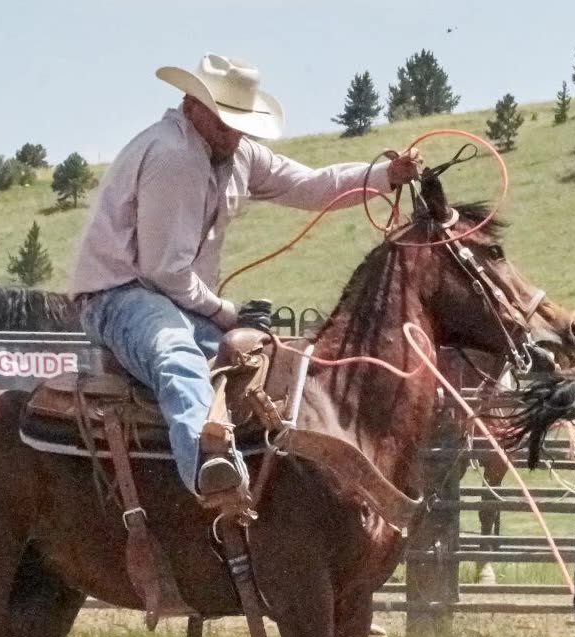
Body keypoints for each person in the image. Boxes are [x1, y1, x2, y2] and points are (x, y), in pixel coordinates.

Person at [69, 53, 422, 516]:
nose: (232, 134)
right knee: (176, 355)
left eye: (239, 124)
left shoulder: (238, 155)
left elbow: (310, 184)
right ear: (191, 107)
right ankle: (211, 472)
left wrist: (382, 176)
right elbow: (163, 270)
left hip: (173, 298)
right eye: (222, 122)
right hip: (121, 295)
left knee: (256, 362)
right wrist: (225, 313)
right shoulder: (172, 157)